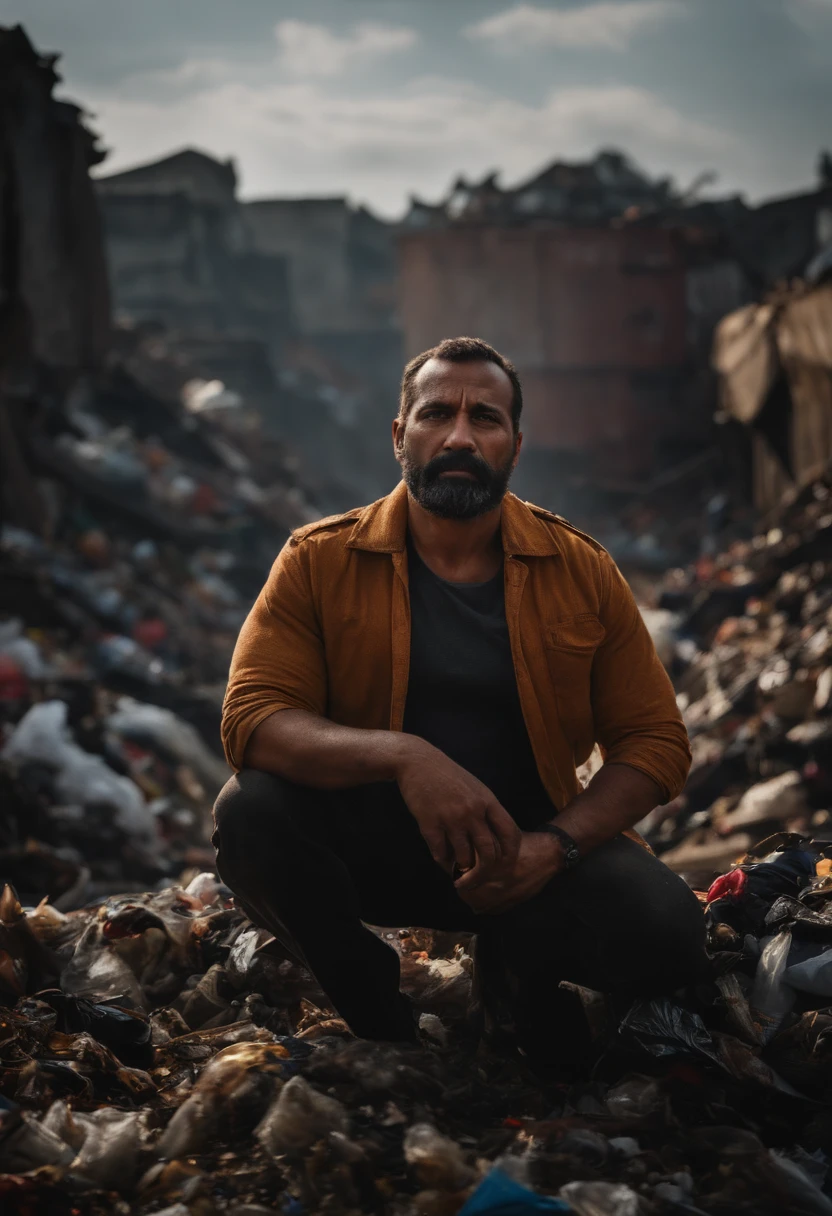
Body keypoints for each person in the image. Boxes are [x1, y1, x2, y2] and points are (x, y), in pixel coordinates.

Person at [214, 336, 706, 1072]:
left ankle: (513, 983)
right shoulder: (318, 559)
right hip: (372, 849)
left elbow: (656, 742)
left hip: (526, 857)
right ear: (399, 434)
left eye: (486, 419)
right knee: (250, 813)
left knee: (668, 935)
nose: (459, 436)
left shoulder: (580, 568)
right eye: (437, 413)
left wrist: (556, 846)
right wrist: (406, 759)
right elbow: (253, 717)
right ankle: (381, 1017)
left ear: (515, 444)